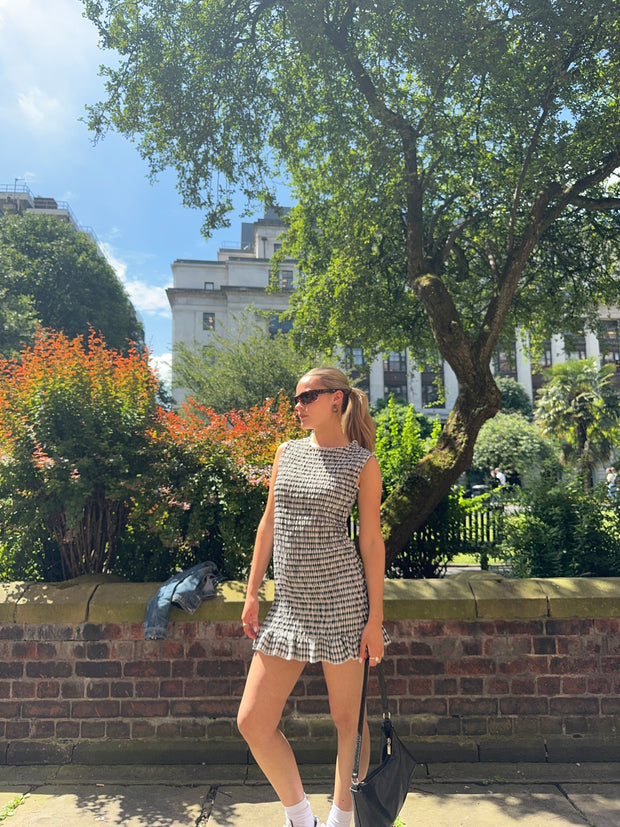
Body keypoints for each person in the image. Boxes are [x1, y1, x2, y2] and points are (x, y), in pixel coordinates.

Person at [237, 367, 389, 827]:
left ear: (337, 399)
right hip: (289, 607)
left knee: (349, 723)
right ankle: (301, 819)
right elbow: (269, 523)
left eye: (309, 397)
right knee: (252, 722)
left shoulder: (362, 463)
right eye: (297, 399)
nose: (298, 406)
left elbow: (371, 542)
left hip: (343, 605)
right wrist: (252, 592)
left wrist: (374, 620)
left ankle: (341, 820)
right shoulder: (286, 453)